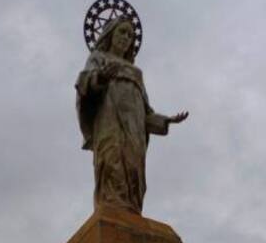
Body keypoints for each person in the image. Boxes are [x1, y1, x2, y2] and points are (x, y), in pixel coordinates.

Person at [75, 15, 188, 213]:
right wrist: (100, 77)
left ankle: (131, 214)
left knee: (134, 169)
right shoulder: (98, 59)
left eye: (130, 35)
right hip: (109, 124)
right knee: (112, 164)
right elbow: (84, 84)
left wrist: (165, 121)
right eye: (122, 32)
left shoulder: (136, 73)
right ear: (110, 34)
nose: (126, 37)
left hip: (134, 130)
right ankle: (111, 210)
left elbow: (145, 112)